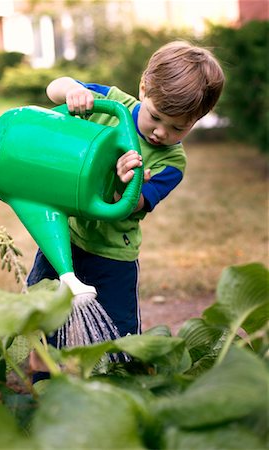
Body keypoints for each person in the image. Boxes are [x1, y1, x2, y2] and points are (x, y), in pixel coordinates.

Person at [28, 40, 225, 378]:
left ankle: (118, 386)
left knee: (120, 336)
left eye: (179, 127)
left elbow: (135, 204)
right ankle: (40, 382)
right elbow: (54, 88)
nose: (162, 132)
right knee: (40, 312)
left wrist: (126, 185)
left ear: (198, 119)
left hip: (112, 256)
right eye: (156, 117)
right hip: (65, 237)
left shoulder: (171, 162)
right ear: (143, 89)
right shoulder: (113, 104)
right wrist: (73, 90)